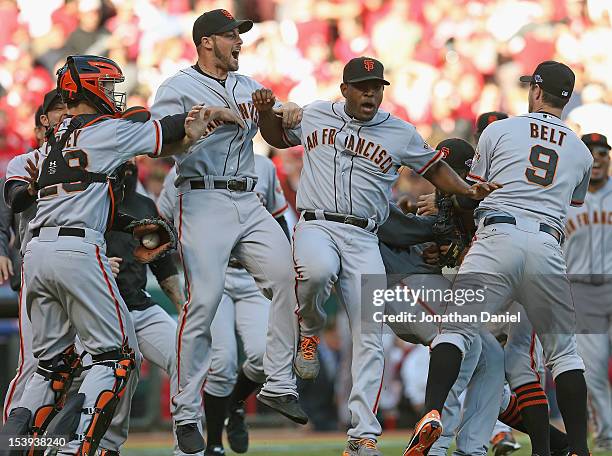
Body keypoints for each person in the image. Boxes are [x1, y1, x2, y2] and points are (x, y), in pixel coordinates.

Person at [0, 54, 241, 456]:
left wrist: (129, 226)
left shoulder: (46, 145)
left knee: (51, 366)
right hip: (78, 250)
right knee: (117, 356)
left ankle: (17, 437)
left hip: (37, 256)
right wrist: (212, 113)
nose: (114, 94)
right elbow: (170, 131)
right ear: (90, 88)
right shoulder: (104, 131)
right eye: (108, 86)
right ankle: (76, 447)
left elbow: (47, 192)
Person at [256, 56, 498, 456]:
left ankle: (362, 435)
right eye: (363, 86)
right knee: (315, 272)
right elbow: (278, 138)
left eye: (377, 86)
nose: (371, 92)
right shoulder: (315, 113)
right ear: (345, 89)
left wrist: (467, 192)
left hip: (364, 235)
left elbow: (435, 169)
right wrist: (267, 113)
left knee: (370, 336)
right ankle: (310, 329)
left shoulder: (400, 131)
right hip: (317, 222)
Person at [405, 60, 592, 456]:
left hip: (498, 234)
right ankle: (578, 448)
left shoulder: (500, 129)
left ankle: (433, 411)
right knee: (565, 355)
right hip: (546, 243)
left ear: (536, 91)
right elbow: (571, 198)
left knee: (455, 329)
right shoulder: (581, 151)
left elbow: (473, 190)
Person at [158, 154, 289, 456]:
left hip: (251, 272)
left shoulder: (263, 166)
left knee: (262, 356)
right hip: (212, 271)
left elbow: (278, 218)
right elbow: (162, 224)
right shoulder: (183, 168)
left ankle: (237, 405)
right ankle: (214, 442)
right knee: (222, 364)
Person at [2, 89, 67, 424]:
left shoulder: (90, 154)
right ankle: (9, 438)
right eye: (59, 109)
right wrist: (31, 188)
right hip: (37, 260)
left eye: (71, 106)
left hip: (83, 263)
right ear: (44, 120)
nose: (66, 113)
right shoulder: (25, 161)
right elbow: (14, 201)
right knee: (32, 362)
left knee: (91, 361)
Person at [565, 133, 612, 451]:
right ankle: (608, 435)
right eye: (590, 152)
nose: (596, 158)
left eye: (602, 152)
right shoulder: (563, 197)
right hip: (581, 291)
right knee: (592, 371)